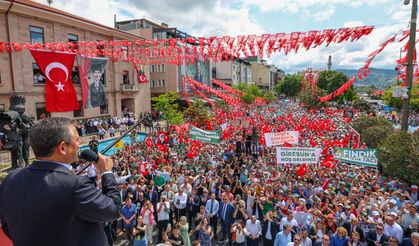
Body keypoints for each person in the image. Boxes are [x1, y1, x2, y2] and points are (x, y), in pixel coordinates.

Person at [0, 117, 121, 246]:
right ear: (62, 147)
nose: (80, 142)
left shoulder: (11, 179)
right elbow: (113, 210)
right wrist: (106, 172)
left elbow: (7, 225)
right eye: (77, 139)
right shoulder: (75, 185)